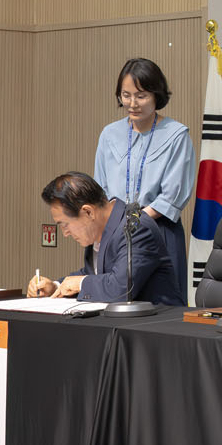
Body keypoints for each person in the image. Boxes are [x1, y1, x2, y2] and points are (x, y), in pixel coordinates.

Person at [94, 57, 195, 298]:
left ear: (156, 95)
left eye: (141, 96)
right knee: (116, 298)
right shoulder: (109, 134)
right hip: (117, 233)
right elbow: (100, 189)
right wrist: (113, 227)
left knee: (163, 303)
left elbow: (171, 196)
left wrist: (133, 223)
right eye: (125, 95)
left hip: (158, 230)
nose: (132, 103)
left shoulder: (176, 135)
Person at [25, 172, 181, 305]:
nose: (65, 233)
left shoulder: (135, 226)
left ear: (88, 212)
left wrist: (80, 283)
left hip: (155, 326)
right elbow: (95, 275)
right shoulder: (100, 228)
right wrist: (56, 286)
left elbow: (122, 288)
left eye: (65, 225)